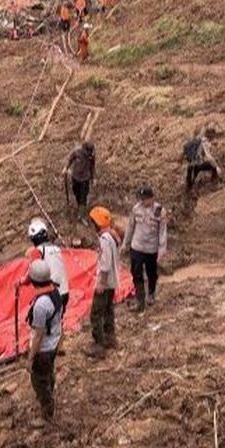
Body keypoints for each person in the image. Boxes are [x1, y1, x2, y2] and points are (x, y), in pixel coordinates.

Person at [25, 259, 64, 428]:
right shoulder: (55, 291)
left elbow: (39, 334)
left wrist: (30, 358)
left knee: (39, 380)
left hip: (44, 348)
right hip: (54, 341)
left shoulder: (41, 305)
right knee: (48, 372)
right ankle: (49, 391)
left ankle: (47, 413)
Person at [122, 186, 168, 311]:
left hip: (151, 249)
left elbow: (162, 231)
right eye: (141, 198)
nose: (143, 201)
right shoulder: (136, 209)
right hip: (137, 247)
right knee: (136, 272)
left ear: (152, 198)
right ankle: (140, 300)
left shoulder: (159, 211)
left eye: (146, 199)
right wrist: (125, 243)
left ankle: (151, 293)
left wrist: (162, 249)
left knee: (151, 273)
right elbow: (130, 227)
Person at [85, 206, 119, 358]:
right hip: (112, 281)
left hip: (105, 282)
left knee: (96, 313)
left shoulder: (104, 240)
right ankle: (110, 337)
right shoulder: (112, 237)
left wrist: (101, 284)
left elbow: (104, 264)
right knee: (108, 310)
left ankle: (99, 344)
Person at [27, 218, 69, 314]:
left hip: (51, 293)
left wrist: (21, 281)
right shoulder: (56, 249)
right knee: (57, 323)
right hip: (64, 291)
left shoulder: (38, 251)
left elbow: (32, 272)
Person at [61, 140, 96, 219]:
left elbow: (92, 167)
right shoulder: (77, 151)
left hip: (85, 178)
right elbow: (70, 159)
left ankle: (82, 214)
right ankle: (79, 206)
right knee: (76, 192)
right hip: (75, 177)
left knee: (83, 196)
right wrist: (66, 167)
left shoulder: (91, 155)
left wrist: (93, 178)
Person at [183, 126, 222, 193]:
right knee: (212, 166)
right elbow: (208, 157)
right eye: (213, 135)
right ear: (210, 134)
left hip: (191, 165)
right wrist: (216, 167)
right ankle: (214, 183)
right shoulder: (204, 142)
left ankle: (188, 192)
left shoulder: (196, 140)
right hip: (198, 164)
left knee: (190, 182)